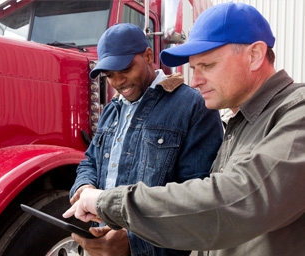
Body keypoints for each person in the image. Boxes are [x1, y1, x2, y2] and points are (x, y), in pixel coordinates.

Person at [63, 3, 305, 256]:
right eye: (194, 69)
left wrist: (110, 206)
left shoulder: (297, 113)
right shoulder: (240, 122)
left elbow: (235, 201)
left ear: (254, 55)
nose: (195, 81)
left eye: (208, 66)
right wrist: (89, 191)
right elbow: (208, 224)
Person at [68, 23, 224, 256]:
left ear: (149, 55)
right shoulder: (112, 110)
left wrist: (133, 243)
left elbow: (196, 202)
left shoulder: (194, 107)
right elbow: (90, 161)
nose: (118, 82)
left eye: (125, 69)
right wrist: (85, 187)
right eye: (110, 75)